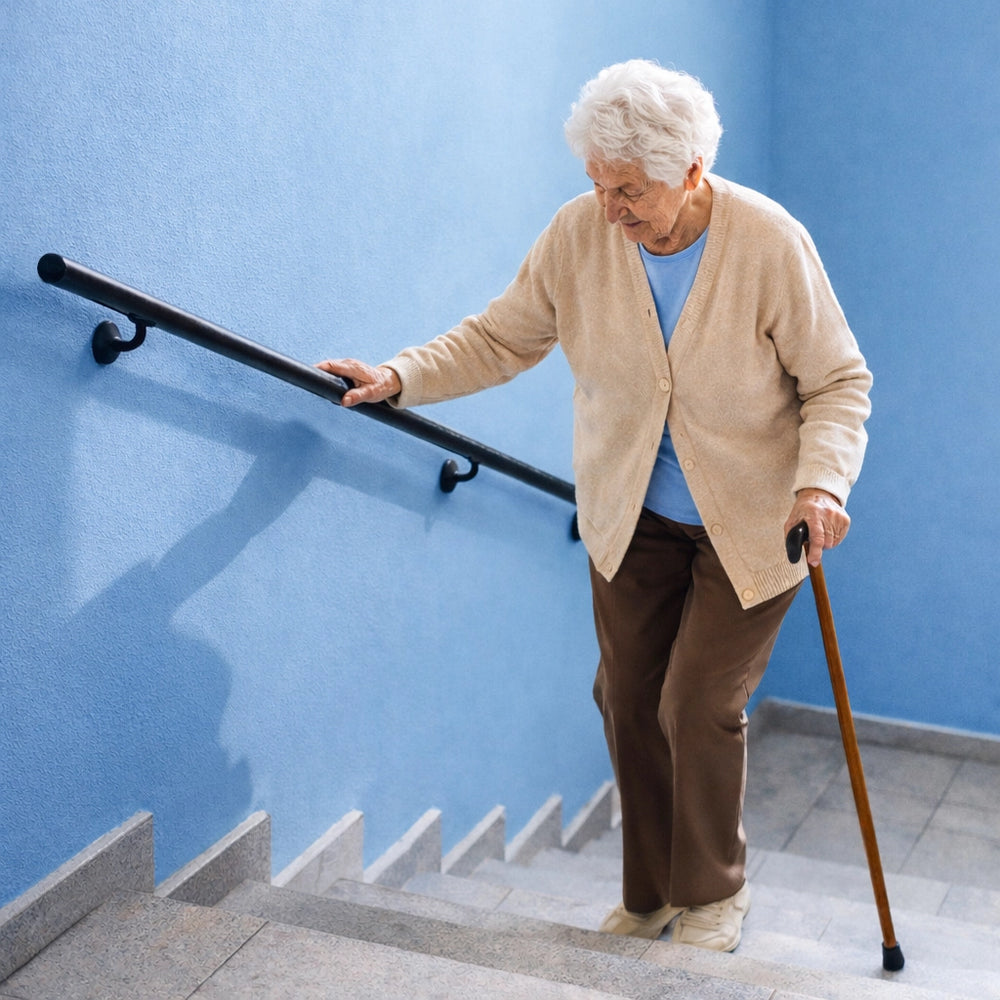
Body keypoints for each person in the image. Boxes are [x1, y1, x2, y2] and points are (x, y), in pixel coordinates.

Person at [317, 59, 871, 952]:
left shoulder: (767, 242)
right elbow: (503, 336)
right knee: (625, 696)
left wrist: (823, 482)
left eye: (632, 190)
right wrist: (400, 376)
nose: (613, 208)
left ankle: (713, 893)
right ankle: (650, 893)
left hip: (757, 526)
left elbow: (839, 382)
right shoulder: (582, 235)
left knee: (695, 702)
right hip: (634, 515)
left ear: (691, 172)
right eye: (599, 185)